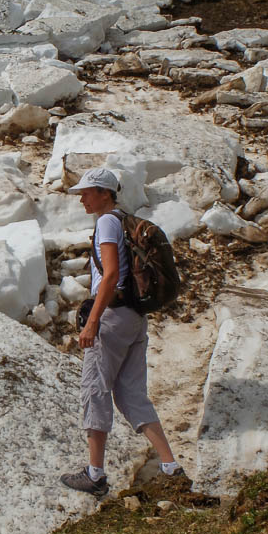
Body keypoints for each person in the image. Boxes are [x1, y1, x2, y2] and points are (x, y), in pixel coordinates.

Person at [60, 167, 183, 497]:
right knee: (131, 394)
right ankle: (171, 466)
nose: (82, 198)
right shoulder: (124, 220)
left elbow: (111, 274)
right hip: (134, 317)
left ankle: (95, 473)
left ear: (104, 193)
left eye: (87, 192)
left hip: (112, 317)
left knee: (95, 388)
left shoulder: (106, 223)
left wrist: (92, 321)